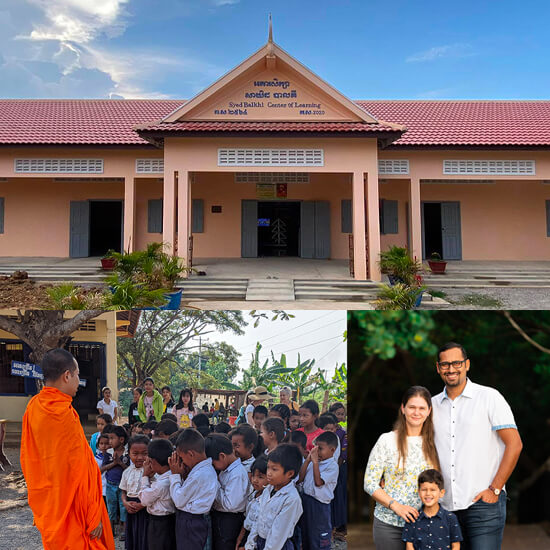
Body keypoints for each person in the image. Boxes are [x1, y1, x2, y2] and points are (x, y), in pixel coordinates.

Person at [20, 348, 115, 549]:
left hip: (51, 502)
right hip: (74, 509)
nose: (78, 380)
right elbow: (79, 470)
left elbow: (28, 459)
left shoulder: (33, 406)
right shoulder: (63, 414)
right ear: (66, 376)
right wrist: (92, 513)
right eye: (78, 374)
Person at [432, 342, 523, 550]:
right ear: (438, 368)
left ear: (467, 364)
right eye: (445, 364)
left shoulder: (490, 397)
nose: (451, 369)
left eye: (457, 363)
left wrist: (495, 488)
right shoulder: (431, 405)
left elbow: (515, 444)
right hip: (444, 508)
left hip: (483, 505)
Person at [364, 386, 440, 550]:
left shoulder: (436, 444)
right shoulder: (387, 440)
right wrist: (396, 506)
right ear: (403, 408)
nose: (416, 412)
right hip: (388, 524)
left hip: (425, 524)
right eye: (412, 407)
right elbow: (369, 483)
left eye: (422, 408)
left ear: (429, 411)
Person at [244, 443, 304, 550]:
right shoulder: (268, 489)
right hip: (262, 542)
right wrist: (251, 543)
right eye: (268, 468)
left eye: (274, 469)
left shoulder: (291, 499)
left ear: (290, 474)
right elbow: (259, 519)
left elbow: (278, 535)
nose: (269, 473)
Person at [168, 429, 219, 550]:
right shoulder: (200, 470)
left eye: (181, 458)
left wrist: (175, 475)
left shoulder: (200, 474)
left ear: (191, 454)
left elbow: (179, 500)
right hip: (190, 520)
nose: (181, 462)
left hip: (193, 523)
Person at [206, 433, 249, 550]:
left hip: (230, 521)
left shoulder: (237, 474)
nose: (213, 467)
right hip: (222, 518)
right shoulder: (226, 469)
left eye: (213, 463)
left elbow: (230, 504)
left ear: (222, 456)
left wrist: (214, 483)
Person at [402, 469, 462, 550]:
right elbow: (409, 546)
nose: (428, 494)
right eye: (424, 490)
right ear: (419, 492)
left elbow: (456, 546)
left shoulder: (451, 518)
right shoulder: (412, 517)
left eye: (433, 490)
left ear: (441, 493)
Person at [298, 431, 340, 550]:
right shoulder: (314, 462)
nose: (317, 452)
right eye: (315, 448)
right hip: (307, 500)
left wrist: (315, 461)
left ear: (332, 450)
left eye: (320, 448)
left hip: (320, 506)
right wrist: (307, 461)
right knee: (306, 534)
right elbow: (300, 478)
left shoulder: (332, 466)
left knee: (319, 537)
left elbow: (318, 482)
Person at [139, 439, 177, 550]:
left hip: (159, 523)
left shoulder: (162, 484)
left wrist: (145, 476)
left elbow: (144, 500)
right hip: (170, 520)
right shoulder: (172, 476)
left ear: (153, 461)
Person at [120, 435, 150, 550]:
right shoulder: (127, 472)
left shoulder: (152, 470)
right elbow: (123, 491)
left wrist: (142, 505)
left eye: (144, 453)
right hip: (130, 507)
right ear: (129, 454)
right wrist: (125, 502)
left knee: (144, 536)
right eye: (135, 453)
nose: (140, 457)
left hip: (145, 509)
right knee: (132, 535)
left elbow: (155, 493)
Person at [101, 425, 131, 540]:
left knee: (123, 507)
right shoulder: (108, 452)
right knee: (111, 507)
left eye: (112, 438)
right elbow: (102, 468)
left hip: (123, 486)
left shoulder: (127, 453)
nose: (110, 441)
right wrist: (114, 463)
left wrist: (120, 462)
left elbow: (129, 469)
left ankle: (124, 532)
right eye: (109, 438)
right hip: (110, 484)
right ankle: (111, 530)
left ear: (121, 440)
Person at [236, 455, 268, 550]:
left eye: (260, 477)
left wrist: (248, 546)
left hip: (256, 541)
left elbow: (257, 526)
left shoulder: (266, 500)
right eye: (253, 475)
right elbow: (247, 519)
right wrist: (240, 538)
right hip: (247, 536)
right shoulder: (253, 494)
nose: (255, 480)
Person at [95, 433, 111, 502]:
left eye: (107, 443)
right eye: (101, 443)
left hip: (111, 488)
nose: (104, 446)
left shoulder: (113, 457)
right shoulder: (96, 459)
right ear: (98, 446)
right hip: (101, 488)